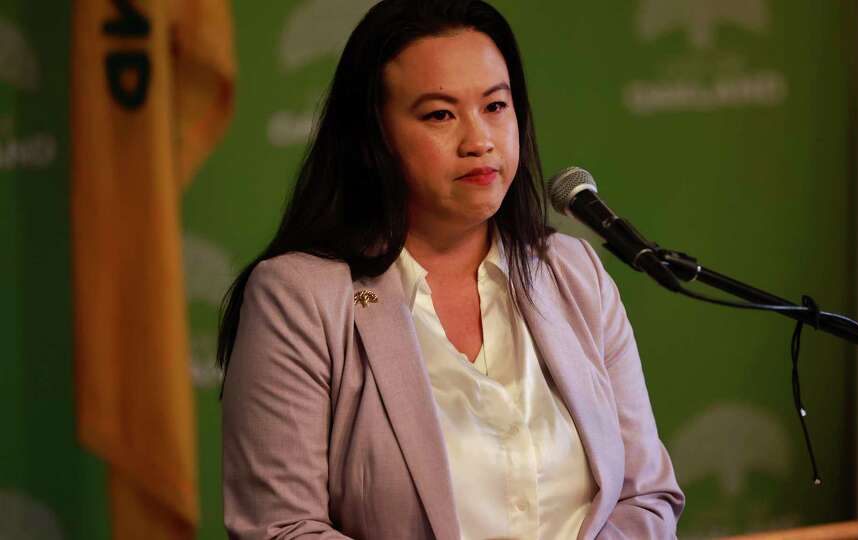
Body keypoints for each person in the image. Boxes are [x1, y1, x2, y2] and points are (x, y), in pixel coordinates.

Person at [219, 1, 683, 538]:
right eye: (440, 114)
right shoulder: (299, 296)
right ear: (374, 139)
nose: (479, 140)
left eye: (495, 106)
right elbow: (281, 528)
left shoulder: (574, 271)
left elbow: (646, 495)